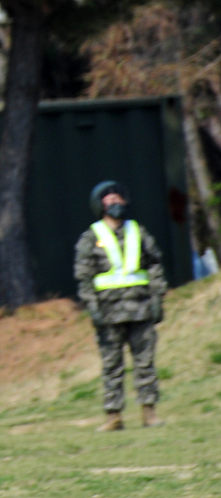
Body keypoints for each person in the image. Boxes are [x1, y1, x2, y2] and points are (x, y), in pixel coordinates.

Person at [73, 180, 168, 431]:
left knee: (145, 362)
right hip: (109, 313)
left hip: (141, 309)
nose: (115, 202)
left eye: (119, 197)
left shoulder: (139, 232)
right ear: (100, 205)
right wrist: (91, 307)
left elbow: (155, 264)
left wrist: (158, 298)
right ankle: (113, 416)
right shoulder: (90, 238)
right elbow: (84, 276)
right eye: (109, 199)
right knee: (112, 365)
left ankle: (149, 412)